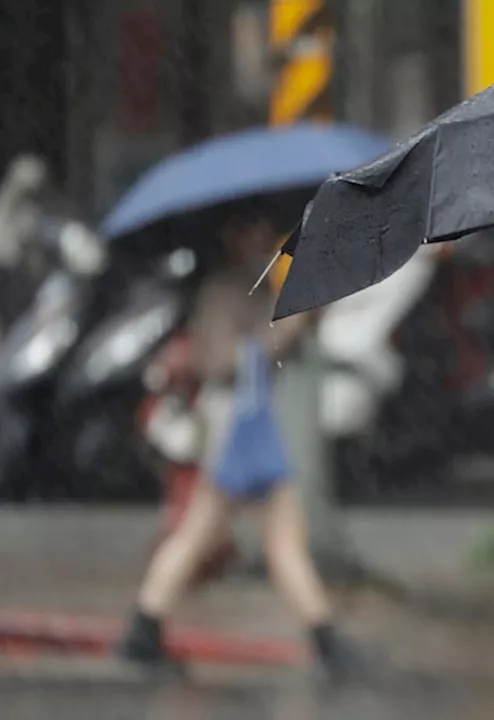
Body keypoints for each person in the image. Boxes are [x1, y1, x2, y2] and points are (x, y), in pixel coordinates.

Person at [115, 206, 364, 681]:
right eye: (254, 229)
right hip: (235, 427)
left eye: (267, 229)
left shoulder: (257, 284)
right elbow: (225, 359)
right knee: (274, 537)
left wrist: (305, 315)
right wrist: (290, 326)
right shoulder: (223, 290)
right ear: (233, 236)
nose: (263, 238)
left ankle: (144, 630)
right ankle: (327, 641)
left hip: (246, 426)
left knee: (211, 533)